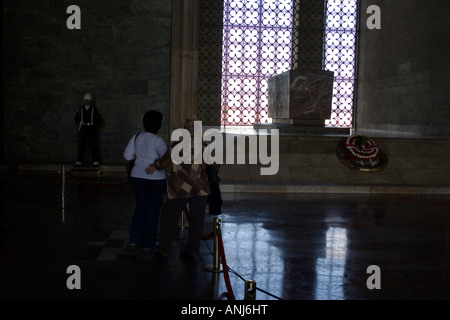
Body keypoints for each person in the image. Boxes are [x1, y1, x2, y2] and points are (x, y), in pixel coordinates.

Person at [147, 118, 216, 261]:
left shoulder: (177, 146)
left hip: (179, 188)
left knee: (169, 218)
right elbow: (215, 166)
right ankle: (192, 251)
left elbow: (163, 163)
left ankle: (164, 251)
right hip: (200, 189)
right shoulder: (204, 147)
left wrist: (155, 166)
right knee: (197, 221)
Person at [123, 110, 168, 251]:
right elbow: (166, 159)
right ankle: (149, 243)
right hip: (155, 180)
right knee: (153, 211)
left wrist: (139, 158)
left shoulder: (136, 137)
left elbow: (127, 156)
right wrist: (155, 165)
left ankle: (134, 240)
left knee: (140, 207)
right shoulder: (158, 140)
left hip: (137, 177)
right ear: (158, 126)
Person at [74, 93, 102, 167]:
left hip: (91, 128)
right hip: (83, 128)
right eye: (86, 100)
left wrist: (94, 125)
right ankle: (79, 160)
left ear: (90, 101)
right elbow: (76, 118)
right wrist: (80, 121)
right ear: (84, 100)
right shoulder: (80, 109)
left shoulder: (94, 109)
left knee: (93, 145)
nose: (87, 101)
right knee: (81, 145)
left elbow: (99, 119)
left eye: (88, 100)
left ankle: (95, 160)